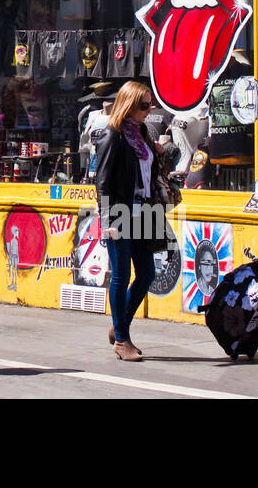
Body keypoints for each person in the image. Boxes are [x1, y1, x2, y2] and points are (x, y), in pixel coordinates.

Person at [94, 80, 167, 362]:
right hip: (121, 214)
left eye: (150, 104)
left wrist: (159, 154)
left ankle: (120, 323)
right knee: (122, 275)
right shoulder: (113, 135)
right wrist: (107, 217)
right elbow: (102, 182)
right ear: (130, 104)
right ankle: (122, 340)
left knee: (147, 273)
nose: (149, 110)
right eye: (144, 105)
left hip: (146, 212)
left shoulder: (142, 133)